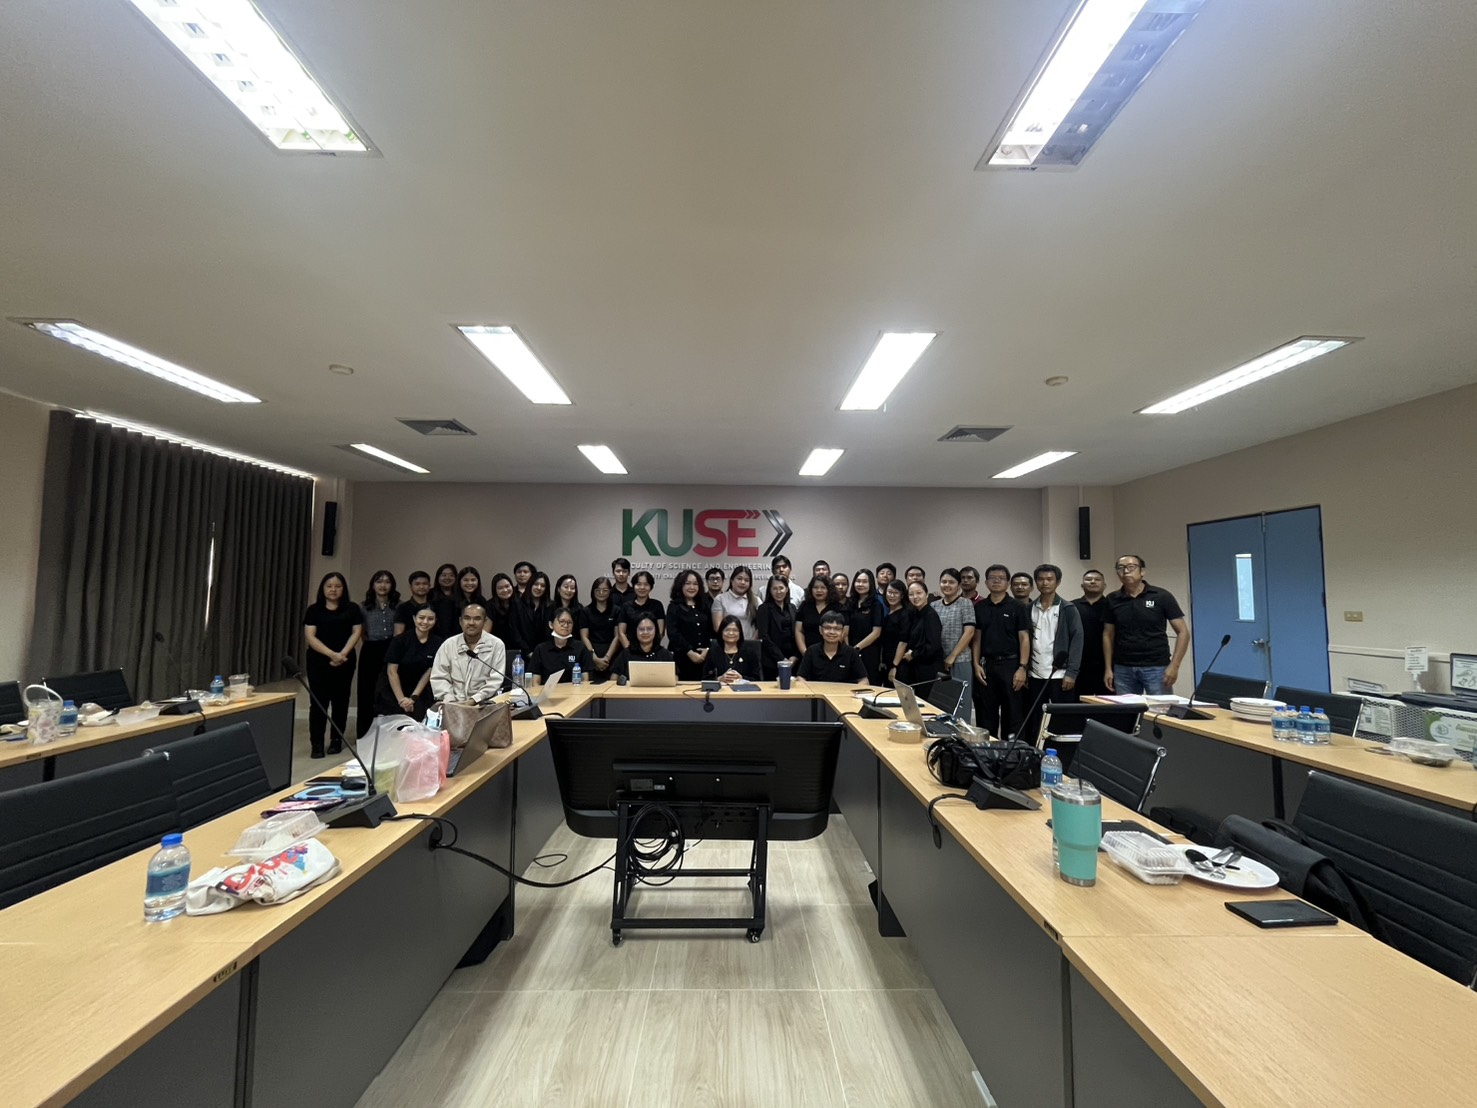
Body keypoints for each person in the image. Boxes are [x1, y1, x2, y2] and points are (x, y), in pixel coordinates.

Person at [1103, 555, 1190, 694]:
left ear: (1142, 571)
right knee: (1126, 708)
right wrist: (1108, 668)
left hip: (1157, 666)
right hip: (1123, 668)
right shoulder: (1112, 599)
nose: (1126, 571)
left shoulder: (1161, 596)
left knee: (1160, 707)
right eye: (1121, 568)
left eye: (1131, 567)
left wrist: (1175, 666)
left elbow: (1183, 632)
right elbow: (1108, 634)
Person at [302, 571, 364, 758]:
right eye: (329, 586)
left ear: (343, 589)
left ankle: (336, 740)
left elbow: (356, 632)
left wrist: (342, 654)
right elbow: (310, 636)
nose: (333, 590)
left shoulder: (352, 608)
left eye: (337, 586)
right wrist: (331, 654)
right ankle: (317, 744)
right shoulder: (314, 610)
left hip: (345, 661)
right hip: (318, 662)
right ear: (323, 588)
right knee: (318, 703)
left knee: (341, 702)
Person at [1022, 563, 1085, 743]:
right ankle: (1034, 751)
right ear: (1036, 582)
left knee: (1061, 720)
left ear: (1057, 582)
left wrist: (1071, 673)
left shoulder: (1068, 609)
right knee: (1035, 719)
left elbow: (1077, 641)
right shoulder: (1029, 609)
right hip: (1035, 674)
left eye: (1049, 579)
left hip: (1060, 674)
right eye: (1041, 579)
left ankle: (1061, 754)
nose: (1045, 583)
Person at [971, 564, 1031, 740]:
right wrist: (976, 664)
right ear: (986, 582)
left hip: (1011, 665)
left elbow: (1024, 638)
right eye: (992, 578)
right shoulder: (980, 607)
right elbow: (977, 638)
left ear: (1007, 583)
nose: (996, 581)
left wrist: (1022, 668)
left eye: (1001, 578)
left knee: (1012, 713)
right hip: (987, 665)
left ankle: (1010, 752)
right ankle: (986, 751)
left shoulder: (1018, 607)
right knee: (986, 714)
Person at [429, 604, 507, 703]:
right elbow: (439, 677)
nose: (471, 623)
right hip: (452, 703)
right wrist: (450, 699)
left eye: (477, 619)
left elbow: (495, 680)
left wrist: (474, 700)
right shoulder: (449, 644)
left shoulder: (496, 645)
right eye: (467, 618)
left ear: (485, 622)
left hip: (483, 703)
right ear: (460, 621)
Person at [375, 604, 441, 721]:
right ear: (414, 618)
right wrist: (402, 700)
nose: (425, 622)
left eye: (430, 619)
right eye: (421, 618)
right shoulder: (400, 640)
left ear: (435, 620)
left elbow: (429, 672)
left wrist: (413, 698)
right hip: (394, 689)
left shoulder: (438, 643)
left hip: (418, 691)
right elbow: (392, 672)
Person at [356, 569, 400, 738]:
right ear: (373, 585)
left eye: (387, 582)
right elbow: (361, 632)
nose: (383, 585)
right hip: (371, 649)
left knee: (388, 690)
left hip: (391, 648)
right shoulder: (363, 607)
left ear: (392, 585)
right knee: (366, 691)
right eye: (379, 581)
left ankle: (389, 733)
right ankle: (364, 733)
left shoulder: (399, 606)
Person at [931, 569, 977, 715]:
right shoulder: (934, 605)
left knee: (960, 705)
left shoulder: (965, 603)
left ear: (958, 585)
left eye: (951, 582)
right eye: (944, 582)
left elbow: (969, 632)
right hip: (939, 661)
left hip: (960, 660)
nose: (947, 585)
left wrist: (953, 656)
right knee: (940, 705)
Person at [527, 607, 596, 683]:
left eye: (569, 622)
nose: (566, 625)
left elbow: (585, 680)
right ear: (551, 624)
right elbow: (535, 682)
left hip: (574, 690)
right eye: (561, 621)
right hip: (548, 690)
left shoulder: (580, 648)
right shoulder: (541, 649)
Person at [797, 610, 869, 684]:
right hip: (816, 691)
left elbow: (864, 680)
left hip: (844, 691)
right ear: (820, 630)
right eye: (827, 628)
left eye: (837, 629)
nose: (832, 632)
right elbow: (800, 677)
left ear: (843, 631)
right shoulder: (811, 651)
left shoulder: (851, 653)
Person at [895, 580, 944, 687]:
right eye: (911, 594)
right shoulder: (915, 613)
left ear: (926, 594)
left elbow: (933, 646)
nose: (915, 597)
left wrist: (914, 654)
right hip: (917, 667)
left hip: (929, 668)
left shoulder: (931, 615)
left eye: (919, 593)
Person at [666, 569, 713, 681]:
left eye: (695, 584)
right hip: (682, 658)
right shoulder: (674, 607)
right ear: (680, 586)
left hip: (704, 657)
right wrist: (689, 652)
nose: (692, 587)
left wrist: (707, 649)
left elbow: (711, 630)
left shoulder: (704, 606)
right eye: (687, 583)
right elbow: (673, 633)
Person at [1072, 569, 1110, 698]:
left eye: (1097, 579)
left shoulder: (1112, 606)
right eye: (1088, 579)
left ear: (1104, 585)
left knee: (1107, 704)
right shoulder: (1071, 606)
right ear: (1082, 585)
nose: (1092, 582)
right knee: (1079, 703)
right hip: (1079, 665)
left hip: (1106, 665)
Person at [754, 574, 798, 680]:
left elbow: (797, 633)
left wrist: (794, 656)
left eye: (781, 588)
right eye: (774, 588)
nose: (778, 592)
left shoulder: (792, 608)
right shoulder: (764, 609)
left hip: (792, 660)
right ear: (770, 590)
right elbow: (764, 637)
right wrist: (782, 659)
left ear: (787, 589)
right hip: (771, 661)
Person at [847, 568, 886, 684]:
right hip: (849, 649)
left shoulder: (876, 604)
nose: (860, 584)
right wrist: (848, 648)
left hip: (869, 651)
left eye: (864, 582)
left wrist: (856, 648)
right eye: (858, 581)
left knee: (869, 683)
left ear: (871, 584)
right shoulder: (850, 603)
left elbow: (876, 632)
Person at [579, 576, 621, 682]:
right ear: (593, 592)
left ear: (610, 591)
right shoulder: (586, 611)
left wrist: (607, 657)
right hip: (592, 653)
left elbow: (617, 636)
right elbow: (584, 636)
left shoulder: (616, 610)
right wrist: (594, 657)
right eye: (597, 590)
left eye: (605, 590)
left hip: (612, 654)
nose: (601, 593)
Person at [611, 613, 674, 681]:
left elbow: (674, 678)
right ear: (635, 631)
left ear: (656, 631)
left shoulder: (665, 654)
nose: (645, 632)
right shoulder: (626, 654)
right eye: (641, 629)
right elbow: (614, 678)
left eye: (649, 629)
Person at [704, 615, 763, 683]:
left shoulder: (750, 653)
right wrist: (719, 679)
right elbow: (705, 678)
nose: (731, 633)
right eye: (727, 630)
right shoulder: (713, 652)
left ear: (740, 633)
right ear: (721, 632)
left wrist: (741, 678)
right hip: (721, 689)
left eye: (735, 630)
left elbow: (757, 679)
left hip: (744, 689)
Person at [617, 570, 665, 648]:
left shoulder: (657, 605)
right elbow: (621, 633)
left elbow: (660, 632)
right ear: (633, 586)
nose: (642, 587)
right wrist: (629, 650)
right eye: (638, 584)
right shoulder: (626, 606)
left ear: (651, 587)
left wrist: (649, 649)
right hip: (630, 649)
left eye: (646, 584)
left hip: (652, 649)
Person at [794, 574, 839, 655]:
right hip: (807, 652)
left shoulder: (837, 607)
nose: (819, 590)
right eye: (815, 587)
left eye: (823, 587)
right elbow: (799, 631)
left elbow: (842, 632)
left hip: (832, 653)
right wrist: (805, 653)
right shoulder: (805, 606)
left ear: (829, 589)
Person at [709, 565, 757, 640]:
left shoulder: (756, 600)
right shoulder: (720, 599)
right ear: (731, 580)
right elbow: (717, 627)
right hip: (728, 643)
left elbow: (761, 626)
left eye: (746, 580)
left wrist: (752, 641)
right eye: (739, 579)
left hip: (750, 643)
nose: (743, 582)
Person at [878, 579, 908, 686]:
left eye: (896, 593)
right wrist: (882, 661)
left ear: (902, 595)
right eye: (890, 592)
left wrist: (894, 666)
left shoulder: (905, 614)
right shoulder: (887, 614)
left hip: (899, 664)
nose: (892, 596)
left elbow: (903, 642)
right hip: (887, 663)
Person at [486, 573, 520, 656]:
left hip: (518, 649)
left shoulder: (519, 603)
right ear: (495, 590)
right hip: (496, 650)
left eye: (507, 586)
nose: (505, 590)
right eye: (500, 588)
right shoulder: (489, 606)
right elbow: (486, 633)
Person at [521, 571, 555, 652]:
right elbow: (515, 632)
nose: (539, 588)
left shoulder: (551, 606)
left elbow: (551, 632)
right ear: (530, 585)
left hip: (544, 652)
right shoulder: (518, 604)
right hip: (522, 651)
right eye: (536, 584)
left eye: (543, 585)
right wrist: (528, 652)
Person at [393, 570, 433, 635]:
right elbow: (398, 635)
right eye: (417, 584)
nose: (421, 587)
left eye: (425, 584)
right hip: (408, 641)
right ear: (410, 586)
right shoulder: (402, 608)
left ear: (429, 586)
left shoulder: (435, 606)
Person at [430, 562, 460, 638]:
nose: (447, 578)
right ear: (438, 577)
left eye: (451, 575)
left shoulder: (461, 595)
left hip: (457, 637)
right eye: (444, 575)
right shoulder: (430, 594)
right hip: (434, 637)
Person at [455, 566, 488, 631]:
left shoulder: (481, 600)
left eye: (473, 580)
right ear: (459, 581)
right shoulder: (450, 601)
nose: (469, 583)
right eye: (466, 580)